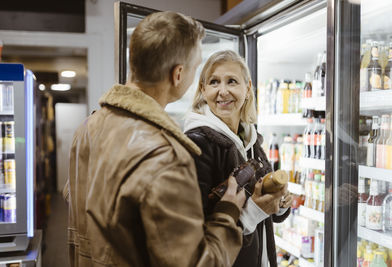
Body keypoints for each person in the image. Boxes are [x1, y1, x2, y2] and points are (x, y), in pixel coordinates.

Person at [65, 12, 247, 267]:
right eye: (196, 67)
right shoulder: (166, 155)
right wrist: (228, 213)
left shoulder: (88, 127)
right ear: (178, 74)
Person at [184, 50, 292, 267]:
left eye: (232, 81)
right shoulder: (196, 144)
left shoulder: (252, 141)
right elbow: (194, 233)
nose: (223, 92)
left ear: (248, 88)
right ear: (203, 90)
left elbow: (269, 215)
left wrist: (280, 204)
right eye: (214, 82)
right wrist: (255, 211)